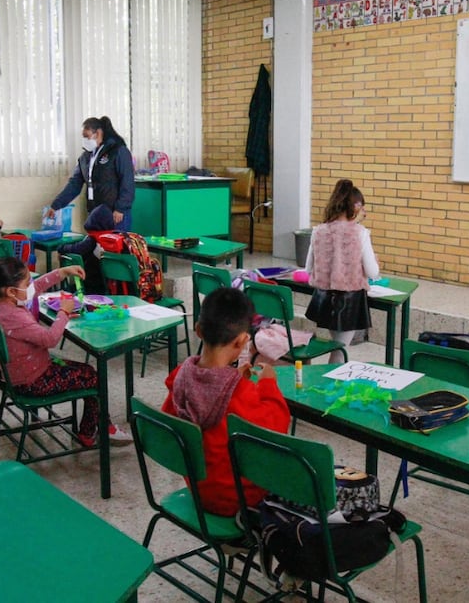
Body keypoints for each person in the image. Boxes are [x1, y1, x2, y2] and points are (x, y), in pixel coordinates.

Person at [0, 256, 131, 447]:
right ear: (12, 291)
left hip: (20, 374)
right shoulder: (14, 316)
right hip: (32, 382)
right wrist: (64, 313)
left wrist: (62, 272)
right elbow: (50, 339)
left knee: (86, 371)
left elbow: (35, 288)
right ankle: (97, 430)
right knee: (92, 376)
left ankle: (93, 428)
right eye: (27, 282)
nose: (31, 286)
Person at [162, 287, 290, 516]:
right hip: (240, 497)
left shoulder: (180, 376)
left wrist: (232, 380)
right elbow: (277, 426)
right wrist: (269, 384)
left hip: (199, 488)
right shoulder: (240, 392)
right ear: (242, 340)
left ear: (198, 330)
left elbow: (172, 422)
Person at [304, 179, 379, 363]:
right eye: (363, 209)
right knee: (340, 350)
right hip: (349, 301)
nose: (365, 213)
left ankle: (332, 381)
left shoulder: (318, 230)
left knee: (338, 347)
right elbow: (371, 271)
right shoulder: (360, 232)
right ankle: (331, 384)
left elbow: (308, 269)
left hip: (323, 299)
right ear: (355, 207)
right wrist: (376, 264)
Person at [46, 116, 135, 232]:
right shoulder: (85, 158)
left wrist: (121, 208)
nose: (85, 140)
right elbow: (74, 184)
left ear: (97, 133)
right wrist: (56, 205)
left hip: (115, 213)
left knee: (114, 248)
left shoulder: (118, 151)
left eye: (87, 136)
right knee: (95, 248)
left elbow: (127, 181)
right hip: (94, 213)